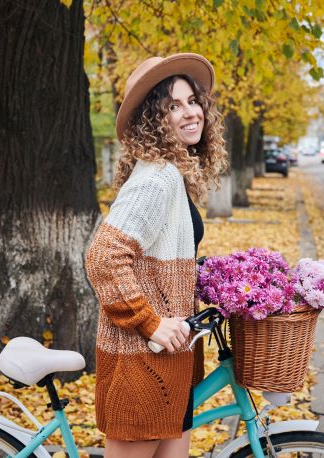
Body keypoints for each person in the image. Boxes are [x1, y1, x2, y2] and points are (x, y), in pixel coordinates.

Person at [85, 53, 227, 458]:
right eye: (173, 106)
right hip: (142, 360)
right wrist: (149, 322)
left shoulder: (173, 174)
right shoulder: (159, 177)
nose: (190, 113)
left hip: (170, 360)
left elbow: (163, 257)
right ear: (153, 119)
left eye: (192, 101)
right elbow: (104, 255)